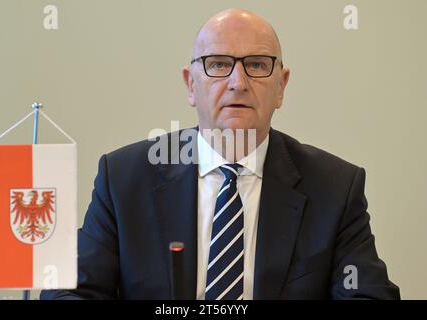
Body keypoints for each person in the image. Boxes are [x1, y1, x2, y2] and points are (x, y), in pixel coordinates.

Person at [41, 8, 400, 299]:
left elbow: (367, 295)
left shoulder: (335, 188)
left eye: (257, 64)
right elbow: (72, 292)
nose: (238, 82)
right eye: (217, 64)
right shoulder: (123, 179)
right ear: (190, 84)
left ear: (281, 86)